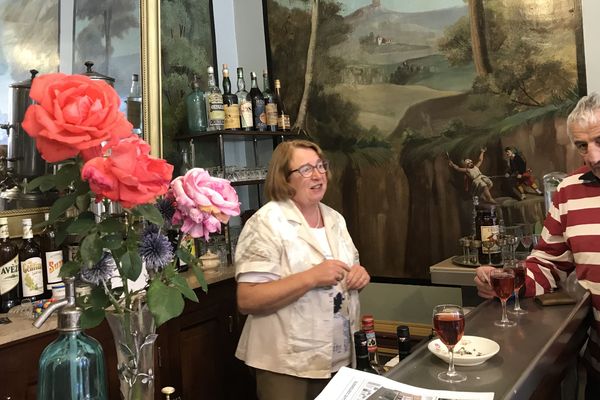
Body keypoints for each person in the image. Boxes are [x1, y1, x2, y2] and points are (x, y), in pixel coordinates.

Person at [474, 93, 600, 399]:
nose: (593, 156)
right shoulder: (569, 192)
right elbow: (547, 265)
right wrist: (505, 282)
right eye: (582, 145)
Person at [234, 139, 371, 400]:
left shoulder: (334, 219)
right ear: (284, 179)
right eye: (306, 169)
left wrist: (359, 276)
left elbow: (350, 270)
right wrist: (310, 278)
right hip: (286, 363)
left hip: (339, 357)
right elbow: (248, 299)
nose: (318, 175)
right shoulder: (265, 223)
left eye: (321, 166)